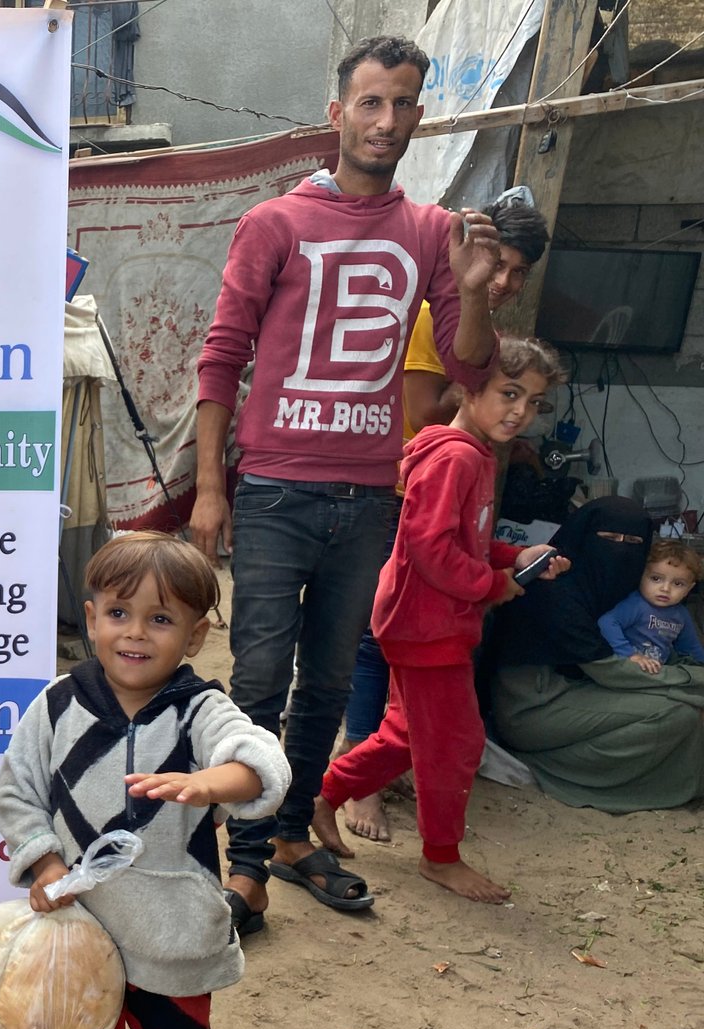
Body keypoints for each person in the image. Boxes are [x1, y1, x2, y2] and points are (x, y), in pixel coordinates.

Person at [190, 34, 501, 935]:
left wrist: (475, 291)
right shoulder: (274, 224)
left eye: (404, 103)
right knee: (256, 680)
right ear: (337, 114)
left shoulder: (434, 233)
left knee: (326, 684)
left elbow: (471, 366)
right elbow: (222, 359)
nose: (388, 120)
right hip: (277, 490)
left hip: (370, 495)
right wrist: (211, 490)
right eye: (371, 102)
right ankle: (243, 865)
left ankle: (291, 838)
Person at [0, 532, 290, 1029]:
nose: (136, 634)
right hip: (76, 947)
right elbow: (16, 792)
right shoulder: (56, 705)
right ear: (91, 615)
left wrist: (213, 783)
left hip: (172, 946)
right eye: (119, 613)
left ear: (194, 635)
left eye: (161, 619)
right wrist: (43, 865)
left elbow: (262, 760)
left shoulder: (200, 711)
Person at [314, 337, 569, 903]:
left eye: (533, 401)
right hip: (426, 625)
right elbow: (431, 550)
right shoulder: (455, 456)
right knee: (456, 741)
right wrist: (493, 585)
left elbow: (461, 541)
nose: (521, 411)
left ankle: (323, 793)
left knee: (408, 734)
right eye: (509, 392)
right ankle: (440, 858)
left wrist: (512, 558)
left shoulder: (470, 453)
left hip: (429, 621)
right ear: (468, 386)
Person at [339, 193, 552, 842]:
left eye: (519, 273)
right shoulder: (440, 316)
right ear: (474, 253)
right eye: (501, 265)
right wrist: (492, 425)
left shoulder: (479, 326)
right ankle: (356, 786)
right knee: (381, 635)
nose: (507, 282)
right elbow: (429, 407)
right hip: (401, 483)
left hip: (432, 479)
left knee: (413, 649)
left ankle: (377, 763)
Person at [490, 497, 704, 812]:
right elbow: (610, 670)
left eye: (633, 542)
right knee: (674, 713)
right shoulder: (557, 590)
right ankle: (546, 767)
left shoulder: (613, 590)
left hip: (574, 692)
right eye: (609, 539)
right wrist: (692, 680)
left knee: (687, 711)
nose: (621, 550)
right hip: (531, 708)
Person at [597, 539, 704, 673]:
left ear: (689, 588)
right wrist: (630, 654)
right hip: (625, 664)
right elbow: (606, 623)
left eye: (678, 584)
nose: (665, 588)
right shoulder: (636, 604)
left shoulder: (681, 614)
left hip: (656, 669)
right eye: (656, 579)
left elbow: (691, 647)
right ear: (641, 576)